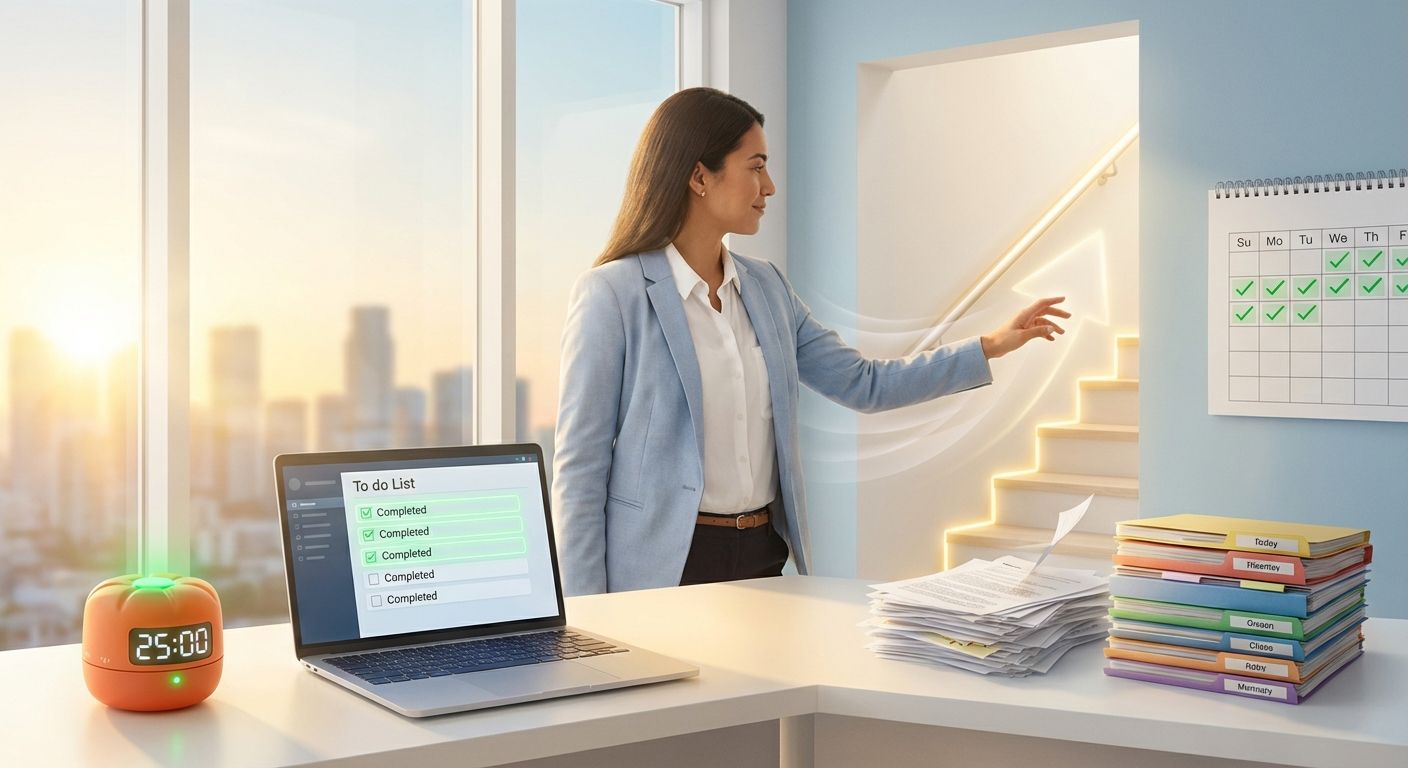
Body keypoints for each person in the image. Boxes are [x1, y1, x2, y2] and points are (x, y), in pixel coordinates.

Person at [552, 87, 1068, 596]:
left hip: (760, 556)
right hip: (663, 568)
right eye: (756, 166)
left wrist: (991, 345)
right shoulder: (612, 295)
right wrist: (586, 613)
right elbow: (581, 466)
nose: (770, 185)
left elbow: (866, 385)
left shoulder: (767, 288)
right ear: (699, 176)